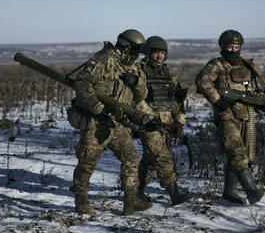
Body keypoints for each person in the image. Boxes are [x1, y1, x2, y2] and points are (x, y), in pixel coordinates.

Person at [68, 29, 153, 215]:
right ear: (126, 47)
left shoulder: (132, 67)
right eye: (135, 51)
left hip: (117, 122)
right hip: (96, 121)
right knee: (87, 161)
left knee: (131, 159)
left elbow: (142, 95)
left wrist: (136, 81)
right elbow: (82, 84)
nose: (136, 56)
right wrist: (98, 108)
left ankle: (131, 201)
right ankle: (80, 200)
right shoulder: (103, 60)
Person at [195, 29, 265, 204]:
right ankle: (251, 190)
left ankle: (229, 191)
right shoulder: (217, 65)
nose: (233, 50)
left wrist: (263, 103)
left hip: (247, 114)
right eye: (230, 46)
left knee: (243, 156)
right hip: (226, 116)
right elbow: (203, 82)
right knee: (236, 152)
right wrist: (217, 101)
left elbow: (258, 89)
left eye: (236, 46)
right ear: (223, 46)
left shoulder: (248, 65)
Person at [134, 36, 192, 205]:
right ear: (148, 53)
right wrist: (151, 118)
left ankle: (135, 190)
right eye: (155, 52)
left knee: (151, 160)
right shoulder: (139, 71)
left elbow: (177, 102)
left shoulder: (169, 73)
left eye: (162, 52)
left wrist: (179, 122)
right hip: (148, 122)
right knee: (162, 156)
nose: (159, 56)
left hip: (167, 123)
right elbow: (137, 100)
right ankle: (173, 190)